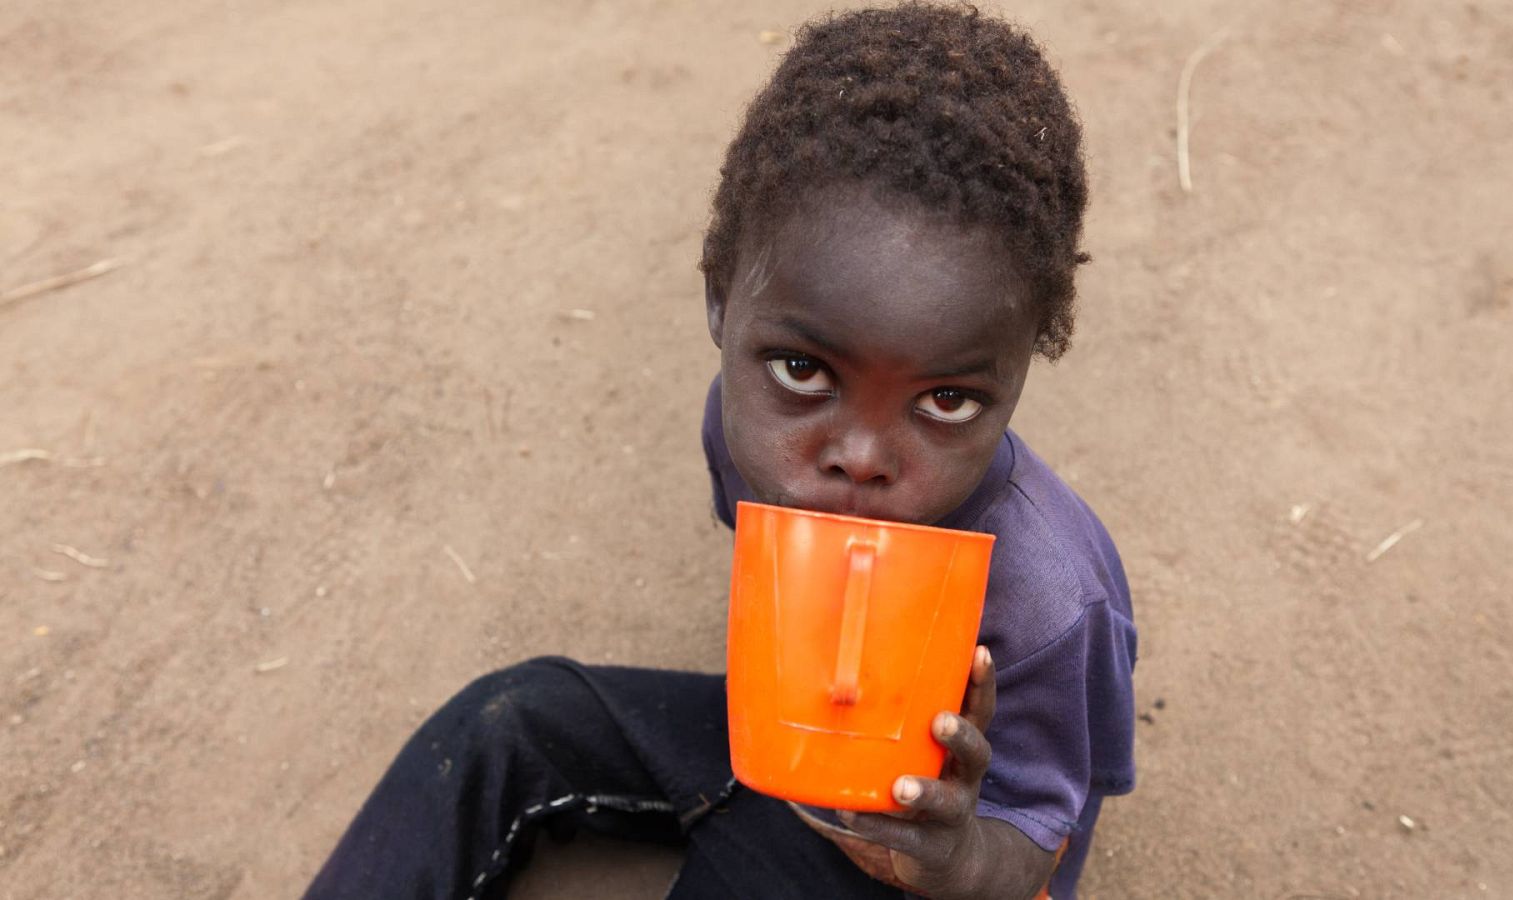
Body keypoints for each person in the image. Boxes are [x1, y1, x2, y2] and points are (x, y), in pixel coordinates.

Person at [303, 4, 1135, 898]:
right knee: (503, 723)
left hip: (931, 853)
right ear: (719, 306)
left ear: (1014, 383)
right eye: (803, 369)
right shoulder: (737, 437)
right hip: (781, 743)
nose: (858, 456)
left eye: (945, 399)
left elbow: (1038, 851)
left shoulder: (1050, 601)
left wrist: (959, 856)